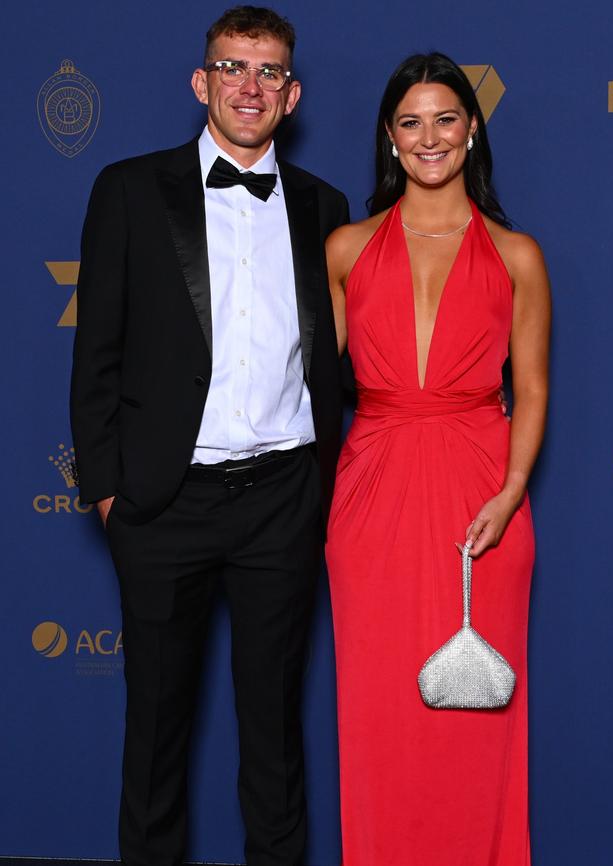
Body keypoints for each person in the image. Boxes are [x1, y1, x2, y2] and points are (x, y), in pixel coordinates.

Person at [70, 6, 348, 865]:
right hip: (164, 502)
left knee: (274, 731)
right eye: (233, 68)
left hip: (282, 499)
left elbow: (338, 360)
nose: (250, 87)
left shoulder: (323, 205)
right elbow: (96, 359)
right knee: (155, 727)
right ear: (203, 82)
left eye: (268, 72)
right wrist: (112, 493)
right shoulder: (127, 188)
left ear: (291, 93)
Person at [325, 52, 550, 865]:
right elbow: (309, 389)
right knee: (381, 714)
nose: (430, 137)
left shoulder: (517, 254)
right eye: (411, 121)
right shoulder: (346, 248)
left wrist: (514, 489)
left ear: (472, 128)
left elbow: (531, 390)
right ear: (389, 137)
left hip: (482, 499)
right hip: (371, 497)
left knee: (475, 714)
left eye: (445, 118)